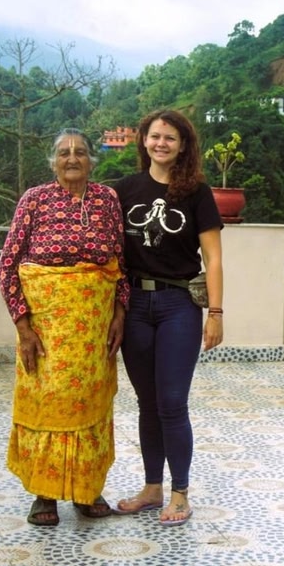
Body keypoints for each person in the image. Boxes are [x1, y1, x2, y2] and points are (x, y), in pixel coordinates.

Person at [0, 128, 130, 526]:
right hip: (45, 332)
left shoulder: (107, 200)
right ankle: (45, 493)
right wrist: (24, 327)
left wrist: (119, 314)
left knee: (90, 404)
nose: (72, 158)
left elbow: (120, 264)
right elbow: (7, 265)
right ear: (53, 161)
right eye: (64, 152)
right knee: (50, 404)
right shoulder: (35, 199)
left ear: (92, 160)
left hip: (93, 332)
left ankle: (88, 489)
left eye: (81, 152)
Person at [112, 109, 224, 526]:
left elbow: (213, 259)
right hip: (135, 306)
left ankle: (179, 494)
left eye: (170, 138)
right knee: (147, 403)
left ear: (182, 146)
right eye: (155, 136)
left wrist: (215, 312)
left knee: (172, 403)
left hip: (178, 304)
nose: (161, 143)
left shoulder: (197, 192)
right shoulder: (123, 190)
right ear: (144, 140)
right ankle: (151, 488)